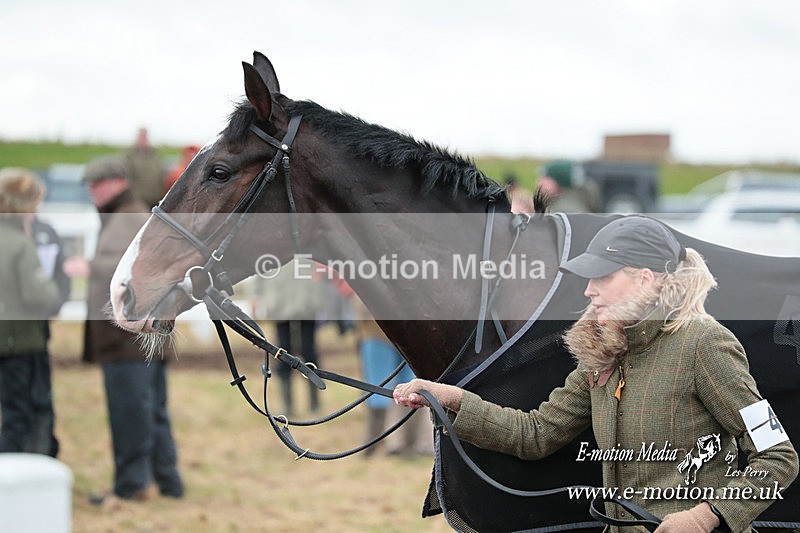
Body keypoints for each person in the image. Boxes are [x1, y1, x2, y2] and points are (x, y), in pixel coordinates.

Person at [395, 216, 798, 533]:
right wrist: (451, 399)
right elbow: (535, 434)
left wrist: (706, 517)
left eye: (603, 276)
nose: (589, 290)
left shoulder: (704, 344)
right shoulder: (604, 353)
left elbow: (778, 457)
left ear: (645, 278)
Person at [63, 156, 183, 507]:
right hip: (143, 337)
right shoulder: (132, 214)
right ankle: (168, 481)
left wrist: (88, 266)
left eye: (97, 184)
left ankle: (132, 485)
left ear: (117, 182)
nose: (91, 191)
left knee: (130, 412)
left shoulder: (127, 218)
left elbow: (124, 274)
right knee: (152, 410)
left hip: (128, 339)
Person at [0, 168, 63, 455]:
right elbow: (40, 295)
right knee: (23, 415)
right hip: (22, 343)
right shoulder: (20, 243)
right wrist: (52, 288)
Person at [352, 296, 432, 458]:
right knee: (379, 391)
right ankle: (374, 443)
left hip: (402, 333)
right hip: (381, 333)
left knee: (411, 392)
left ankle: (405, 445)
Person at [124, 127, 165, 208]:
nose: (143, 139)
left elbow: (160, 176)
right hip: (138, 201)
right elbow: (126, 178)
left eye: (145, 137)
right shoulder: (129, 156)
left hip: (155, 200)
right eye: (141, 137)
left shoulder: (154, 155)